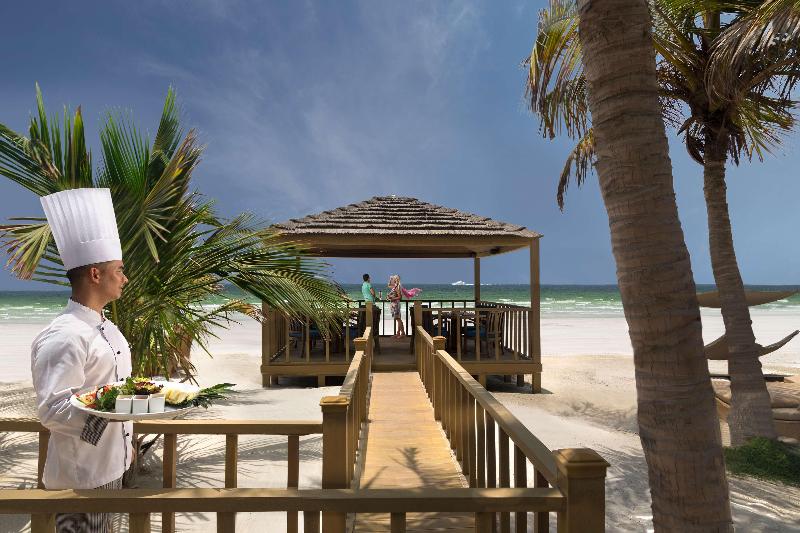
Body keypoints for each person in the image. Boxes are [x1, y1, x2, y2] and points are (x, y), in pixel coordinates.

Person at [31, 188, 132, 533]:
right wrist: (116, 415)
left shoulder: (108, 328)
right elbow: (52, 409)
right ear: (95, 274)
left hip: (113, 467)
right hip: (81, 479)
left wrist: (125, 444)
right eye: (118, 270)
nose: (125, 278)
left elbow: (115, 389)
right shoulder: (65, 335)